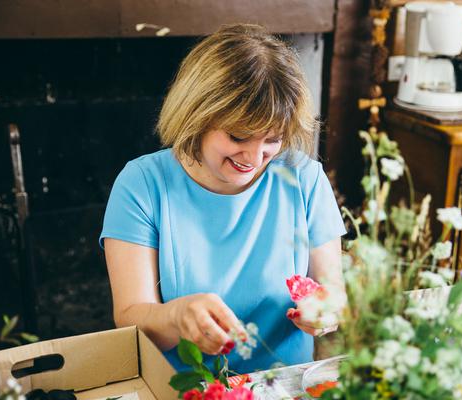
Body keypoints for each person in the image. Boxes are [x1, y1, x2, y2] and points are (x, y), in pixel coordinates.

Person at [100, 23, 346, 374]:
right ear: (197, 115)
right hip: (183, 389)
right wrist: (176, 315)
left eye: (272, 139)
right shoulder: (141, 184)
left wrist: (326, 310)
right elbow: (129, 318)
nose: (254, 156)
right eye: (238, 135)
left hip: (287, 384)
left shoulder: (304, 177)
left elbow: (331, 289)